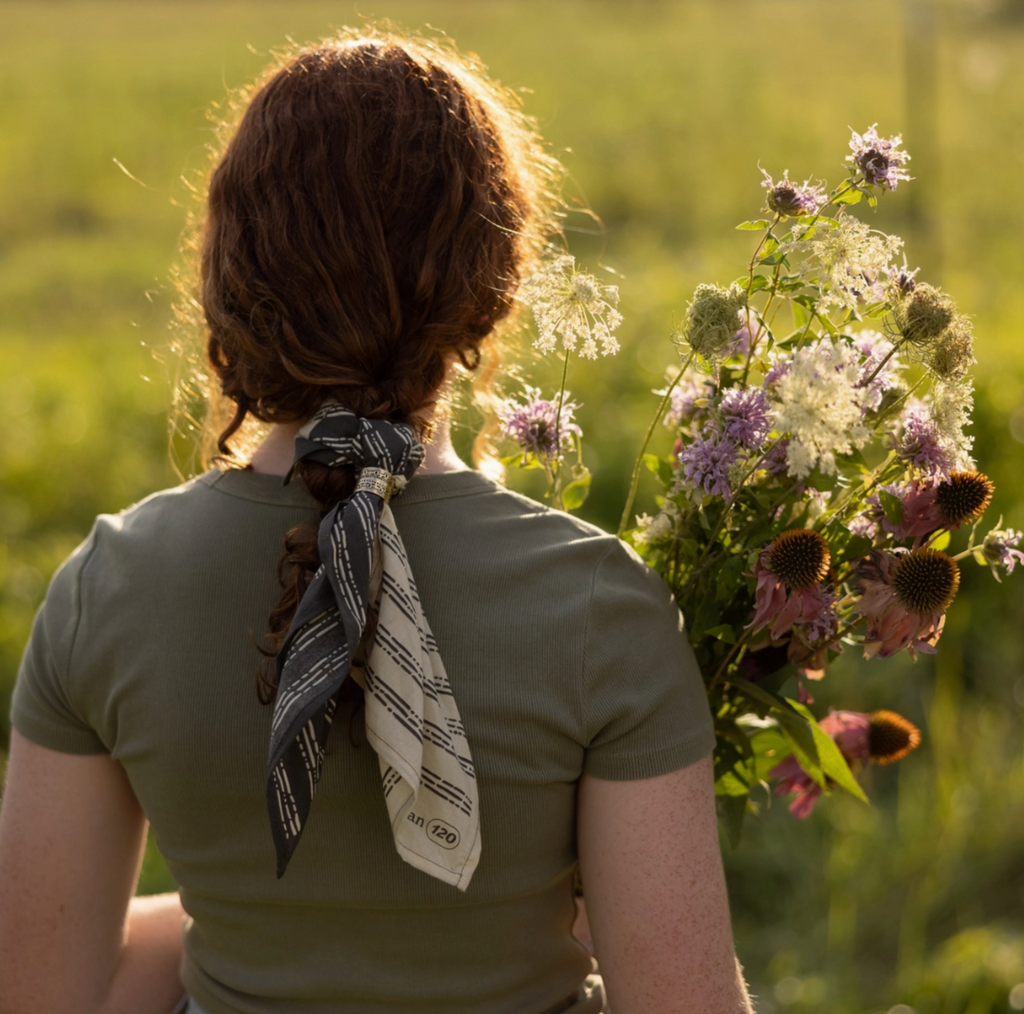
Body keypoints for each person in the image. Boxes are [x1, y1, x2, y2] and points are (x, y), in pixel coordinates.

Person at [0, 29, 754, 1014]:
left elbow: (40, 991)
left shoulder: (107, 587)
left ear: (227, 284)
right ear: (491, 293)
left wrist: (244, 920)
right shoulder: (596, 603)